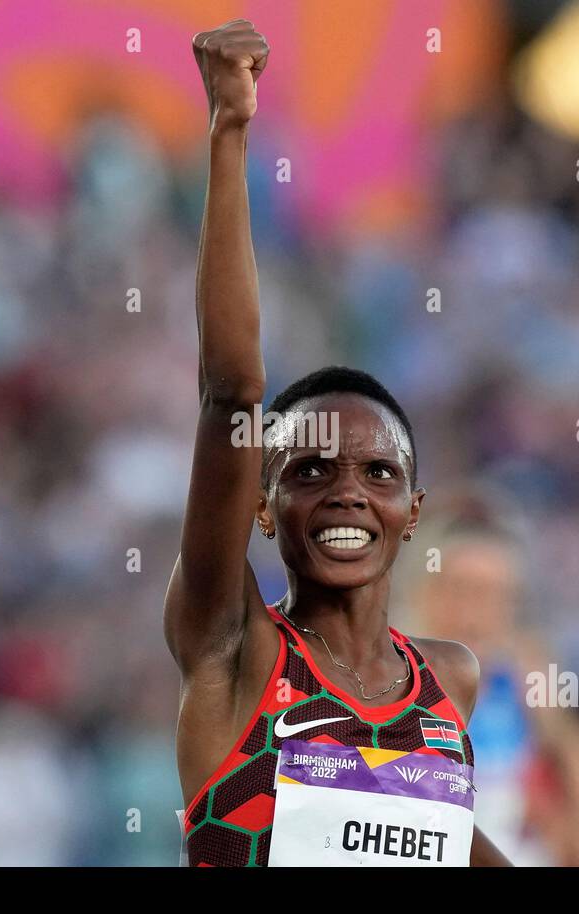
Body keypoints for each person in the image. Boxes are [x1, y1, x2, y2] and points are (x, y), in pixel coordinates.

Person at [164, 19, 510, 867]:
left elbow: (438, 845)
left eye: (378, 472)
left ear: (412, 510)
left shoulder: (449, 682)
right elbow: (231, 391)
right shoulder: (232, 649)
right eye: (309, 470)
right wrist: (230, 134)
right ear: (261, 509)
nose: (347, 491)